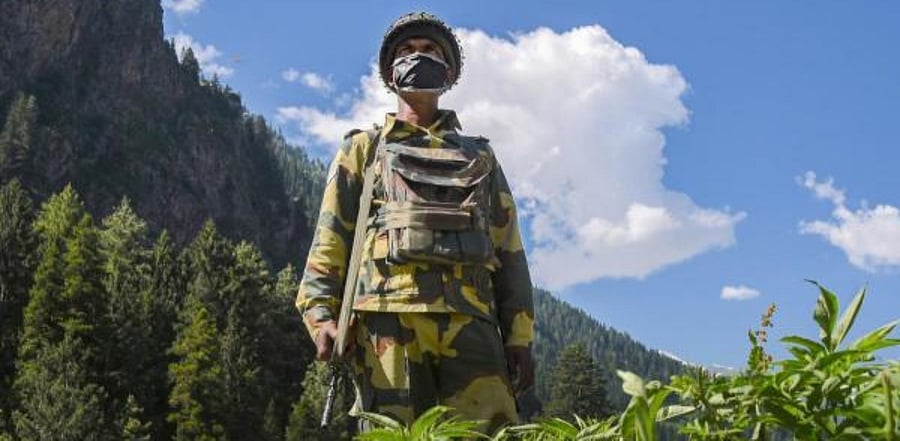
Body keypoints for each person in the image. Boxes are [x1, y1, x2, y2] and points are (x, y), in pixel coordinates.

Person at [295, 11, 535, 434]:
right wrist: (321, 316)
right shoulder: (364, 150)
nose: (417, 57)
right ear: (391, 74)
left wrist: (519, 337)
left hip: (471, 325)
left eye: (429, 50)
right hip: (387, 324)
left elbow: (508, 249)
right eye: (406, 51)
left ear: (449, 72)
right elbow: (330, 240)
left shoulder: (480, 156)